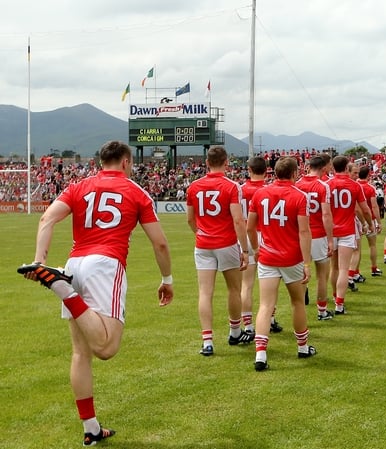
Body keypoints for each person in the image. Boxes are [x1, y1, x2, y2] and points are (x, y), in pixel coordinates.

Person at [17, 140, 173, 446]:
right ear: (126, 162)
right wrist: (167, 278)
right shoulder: (136, 191)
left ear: (101, 161)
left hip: (75, 263)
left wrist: (40, 261)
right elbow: (161, 244)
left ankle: (91, 427)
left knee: (81, 352)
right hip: (106, 264)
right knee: (107, 347)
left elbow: (46, 218)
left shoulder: (79, 186)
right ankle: (62, 288)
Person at [247, 156, 316, 371]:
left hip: (267, 257)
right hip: (291, 257)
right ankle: (303, 347)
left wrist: (256, 249)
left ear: (274, 173)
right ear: (295, 173)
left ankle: (260, 355)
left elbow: (250, 227)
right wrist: (307, 262)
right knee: (297, 302)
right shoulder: (299, 196)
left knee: (266, 305)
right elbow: (304, 232)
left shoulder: (260, 193)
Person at [186, 145, 252, 356]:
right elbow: (238, 220)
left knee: (205, 292)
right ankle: (234, 331)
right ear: (226, 163)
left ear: (206, 163)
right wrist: (244, 249)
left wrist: (200, 233)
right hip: (226, 243)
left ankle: (207, 341)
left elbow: (190, 218)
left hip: (203, 244)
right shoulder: (232, 186)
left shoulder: (194, 186)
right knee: (234, 288)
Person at [239, 156, 282, 334]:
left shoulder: (240, 190)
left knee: (246, 284)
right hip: (265, 236)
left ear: (249, 170)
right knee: (272, 282)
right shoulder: (270, 190)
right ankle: (270, 319)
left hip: (245, 236)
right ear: (266, 170)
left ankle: (248, 325)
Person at [326, 155, 373, 314]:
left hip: (331, 230)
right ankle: (339, 303)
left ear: (333, 168)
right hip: (347, 229)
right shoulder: (354, 185)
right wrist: (370, 223)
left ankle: (334, 297)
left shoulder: (327, 185)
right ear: (346, 168)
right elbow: (365, 209)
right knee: (344, 269)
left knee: (334, 267)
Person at [295, 155, 336, 320]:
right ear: (324, 168)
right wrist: (331, 239)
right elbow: (326, 214)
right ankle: (322, 311)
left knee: (301, 273)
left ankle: (301, 304)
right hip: (318, 234)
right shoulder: (322, 186)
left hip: (300, 234)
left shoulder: (297, 184)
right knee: (321, 275)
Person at [357, 165, 383, 276]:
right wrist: (379, 222)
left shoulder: (355, 185)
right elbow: (374, 206)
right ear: (368, 175)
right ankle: (374, 268)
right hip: (369, 218)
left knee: (356, 249)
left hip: (357, 218)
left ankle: (355, 272)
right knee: (372, 245)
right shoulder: (370, 188)